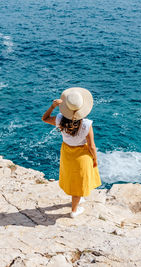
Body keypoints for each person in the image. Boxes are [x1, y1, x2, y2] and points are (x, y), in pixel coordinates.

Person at [42, 87, 101, 218]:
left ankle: (77, 199)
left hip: (67, 152)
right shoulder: (86, 124)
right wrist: (95, 159)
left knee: (72, 178)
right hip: (81, 154)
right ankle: (74, 211)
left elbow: (44, 118)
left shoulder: (59, 120)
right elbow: (91, 145)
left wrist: (52, 106)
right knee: (79, 183)